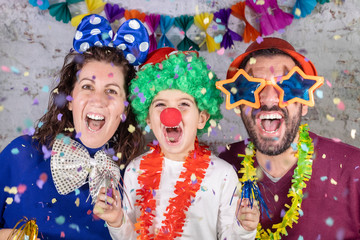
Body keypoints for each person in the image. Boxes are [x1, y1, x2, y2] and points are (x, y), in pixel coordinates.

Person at [0, 15, 148, 240]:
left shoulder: (135, 181)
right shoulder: (21, 154)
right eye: (88, 86)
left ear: (126, 108)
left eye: (111, 91)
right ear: (70, 98)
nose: (98, 100)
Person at [93, 47, 260, 240]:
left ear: (202, 118)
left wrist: (244, 229)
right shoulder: (134, 171)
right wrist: (116, 221)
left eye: (184, 104)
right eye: (160, 105)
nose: (171, 114)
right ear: (148, 119)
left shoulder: (222, 175)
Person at [217, 37, 360, 239]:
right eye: (251, 87)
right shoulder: (218, 170)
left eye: (287, 85)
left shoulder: (354, 171)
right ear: (239, 105)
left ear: (304, 104)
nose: (268, 99)